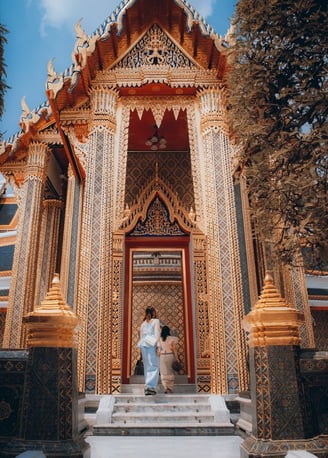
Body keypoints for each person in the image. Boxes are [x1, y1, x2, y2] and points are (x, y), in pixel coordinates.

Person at [137, 306, 161, 395]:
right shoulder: (156, 321)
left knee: (147, 366)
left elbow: (141, 336)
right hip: (151, 345)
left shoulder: (143, 324)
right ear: (154, 312)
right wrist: (158, 347)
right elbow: (157, 334)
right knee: (154, 366)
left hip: (143, 345)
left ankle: (148, 386)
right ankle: (151, 387)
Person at [159, 325, 179, 393]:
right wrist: (177, 358)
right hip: (170, 355)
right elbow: (174, 349)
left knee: (163, 372)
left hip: (162, 356)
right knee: (170, 371)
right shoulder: (172, 339)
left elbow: (158, 350)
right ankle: (170, 387)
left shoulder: (159, 339)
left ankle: (165, 387)